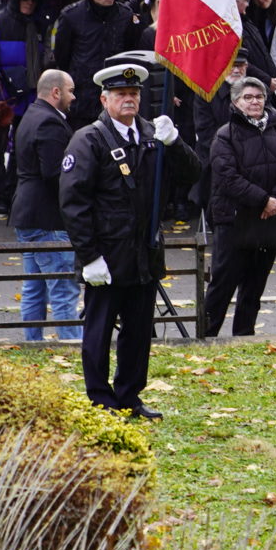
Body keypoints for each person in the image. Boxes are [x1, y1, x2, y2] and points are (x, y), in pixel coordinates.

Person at [62, 62, 194, 408]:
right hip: (107, 253)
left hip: (144, 251)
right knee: (100, 331)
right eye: (121, 94)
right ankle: (100, 398)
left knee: (138, 332)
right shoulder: (88, 139)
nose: (129, 100)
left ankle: (129, 395)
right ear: (105, 100)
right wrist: (89, 257)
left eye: (134, 94)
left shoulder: (154, 134)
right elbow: (74, 203)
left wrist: (176, 143)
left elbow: (193, 175)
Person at [203, 73, 276, 338]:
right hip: (236, 220)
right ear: (236, 103)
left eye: (259, 97)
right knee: (223, 285)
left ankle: (244, 336)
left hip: (270, 219)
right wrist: (262, 199)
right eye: (247, 97)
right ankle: (205, 336)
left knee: (255, 286)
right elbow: (227, 177)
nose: (254, 102)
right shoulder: (225, 136)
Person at [10, 68, 81, 339]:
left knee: (35, 286)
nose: (73, 97)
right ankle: (72, 347)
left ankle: (32, 344)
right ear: (56, 92)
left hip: (27, 213)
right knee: (63, 288)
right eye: (70, 91)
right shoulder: (49, 122)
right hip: (47, 217)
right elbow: (55, 174)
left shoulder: (31, 114)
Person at [53, 0, 141, 126]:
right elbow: (61, 54)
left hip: (115, 86)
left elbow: (131, 50)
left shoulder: (124, 15)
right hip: (83, 92)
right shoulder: (72, 16)